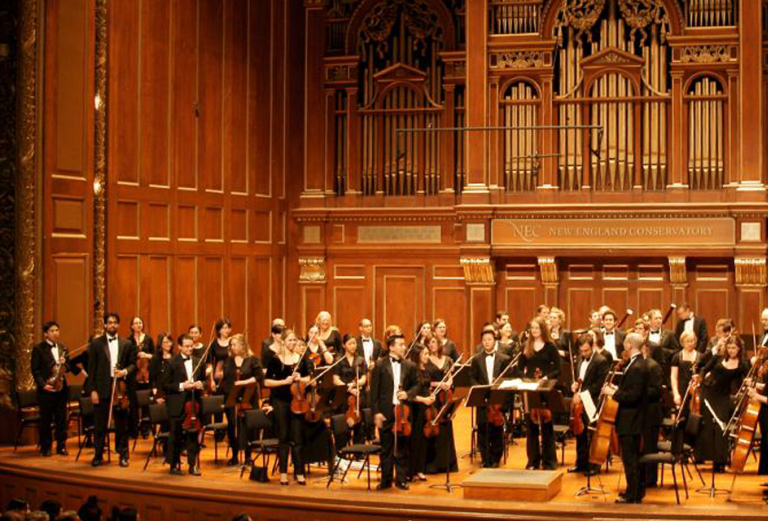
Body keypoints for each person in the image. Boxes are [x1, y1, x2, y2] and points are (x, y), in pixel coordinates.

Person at [602, 333, 648, 504]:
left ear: (629, 345)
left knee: (630, 459)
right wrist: (617, 387)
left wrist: (613, 392)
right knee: (631, 458)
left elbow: (633, 396)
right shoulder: (636, 363)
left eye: (625, 344)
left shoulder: (637, 366)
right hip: (631, 419)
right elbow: (631, 389)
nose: (623, 346)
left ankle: (632, 495)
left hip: (631, 420)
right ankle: (634, 491)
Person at [85, 312, 136, 467]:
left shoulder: (126, 343)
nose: (113, 325)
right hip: (102, 389)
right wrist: (92, 390)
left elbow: (133, 364)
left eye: (115, 322)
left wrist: (124, 372)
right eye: (110, 322)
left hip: (119, 389)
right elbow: (91, 369)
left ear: (118, 325)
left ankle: (123, 456)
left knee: (122, 425)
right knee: (100, 424)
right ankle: (98, 455)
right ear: (105, 325)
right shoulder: (96, 344)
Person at [371, 332, 419, 490]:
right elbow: (374, 392)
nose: (403, 347)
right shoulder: (379, 365)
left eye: (404, 344)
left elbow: (416, 385)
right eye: (400, 344)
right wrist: (376, 412)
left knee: (402, 447)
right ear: (391, 347)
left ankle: (401, 478)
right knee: (386, 448)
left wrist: (408, 394)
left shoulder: (410, 365)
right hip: (386, 411)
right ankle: (386, 479)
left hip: (402, 411)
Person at [696, 334, 749, 472]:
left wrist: (748, 383)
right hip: (708, 394)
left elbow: (748, 378)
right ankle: (709, 458)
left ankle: (720, 462)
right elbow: (704, 368)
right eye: (729, 347)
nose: (731, 350)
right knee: (708, 427)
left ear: (739, 349)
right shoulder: (719, 358)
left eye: (734, 348)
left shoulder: (743, 364)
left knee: (721, 429)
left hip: (723, 397)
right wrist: (702, 377)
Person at [264, 329, 310, 485]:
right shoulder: (275, 360)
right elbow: (267, 382)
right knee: (283, 437)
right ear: (283, 341)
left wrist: (300, 378)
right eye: (290, 340)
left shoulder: (300, 359)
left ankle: (299, 472)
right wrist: (284, 381)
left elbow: (308, 377)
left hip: (297, 401)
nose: (292, 343)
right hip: (281, 402)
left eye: (294, 341)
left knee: (297, 439)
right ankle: (283, 472)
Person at [518, 316, 560, 470]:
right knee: (531, 425)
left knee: (547, 425)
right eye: (532, 328)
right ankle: (532, 461)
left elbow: (558, 369)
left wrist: (546, 377)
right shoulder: (526, 346)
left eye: (537, 328)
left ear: (543, 329)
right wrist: (526, 379)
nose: (534, 331)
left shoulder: (550, 347)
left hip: (545, 388)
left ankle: (549, 462)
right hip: (530, 390)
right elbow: (518, 368)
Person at [31, 321, 75, 457]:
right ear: (46, 334)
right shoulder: (38, 349)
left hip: (61, 389)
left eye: (57, 330)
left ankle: (61, 446)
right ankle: (46, 447)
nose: (56, 333)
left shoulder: (63, 348)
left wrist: (64, 365)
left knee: (61, 419)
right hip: (46, 390)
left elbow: (69, 367)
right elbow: (35, 370)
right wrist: (43, 384)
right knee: (46, 419)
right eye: (52, 330)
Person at [568, 334, 609, 475]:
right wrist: (574, 386)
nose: (583, 353)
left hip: (593, 401)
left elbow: (599, 384)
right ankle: (581, 463)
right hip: (580, 401)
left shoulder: (601, 361)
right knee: (580, 433)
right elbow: (580, 380)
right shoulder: (580, 360)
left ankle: (594, 465)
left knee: (592, 434)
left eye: (586, 350)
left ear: (592, 346)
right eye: (581, 351)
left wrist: (583, 393)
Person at [165, 334, 205, 476]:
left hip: (194, 404)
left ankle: (192, 465)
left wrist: (201, 384)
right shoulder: (171, 363)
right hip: (177, 404)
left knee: (193, 436)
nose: (190, 349)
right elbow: (166, 385)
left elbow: (204, 380)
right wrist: (183, 385)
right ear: (179, 347)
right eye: (187, 346)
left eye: (191, 346)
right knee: (175, 436)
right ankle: (174, 466)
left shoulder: (198, 361)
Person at [470, 329, 510, 468]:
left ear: (495, 341)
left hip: (497, 399)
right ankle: (486, 459)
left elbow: (506, 379)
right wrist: (482, 388)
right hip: (482, 399)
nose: (487, 342)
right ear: (482, 342)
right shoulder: (476, 359)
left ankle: (495, 458)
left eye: (490, 339)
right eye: (484, 340)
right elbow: (472, 378)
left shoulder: (504, 359)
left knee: (497, 430)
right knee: (482, 429)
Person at [221, 334, 262, 466]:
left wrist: (244, 382)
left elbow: (259, 377)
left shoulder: (252, 359)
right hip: (232, 397)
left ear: (242, 345)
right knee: (233, 426)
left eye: (234, 344)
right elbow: (226, 378)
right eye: (231, 345)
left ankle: (248, 456)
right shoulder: (229, 360)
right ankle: (234, 455)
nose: (231, 347)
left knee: (247, 426)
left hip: (248, 397)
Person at [425, 334, 458, 474]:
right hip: (433, 397)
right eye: (429, 343)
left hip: (445, 397)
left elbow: (451, 379)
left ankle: (447, 463)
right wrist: (439, 384)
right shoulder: (426, 360)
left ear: (439, 344)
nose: (432, 345)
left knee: (446, 428)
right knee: (434, 428)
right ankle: (434, 464)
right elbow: (425, 381)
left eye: (434, 342)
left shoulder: (448, 360)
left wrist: (448, 384)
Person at [408, 343, 437, 482]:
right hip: (415, 408)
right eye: (425, 354)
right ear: (418, 356)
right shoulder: (412, 371)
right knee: (415, 440)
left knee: (424, 439)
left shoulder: (426, 370)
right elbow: (410, 395)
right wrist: (424, 400)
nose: (427, 356)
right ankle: (411, 470)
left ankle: (420, 469)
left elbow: (427, 388)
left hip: (425, 408)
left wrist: (431, 397)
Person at [333, 334, 368, 449]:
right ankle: (342, 449)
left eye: (354, 343)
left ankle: (358, 450)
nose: (353, 346)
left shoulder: (360, 360)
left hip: (358, 393)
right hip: (343, 395)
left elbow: (364, 377)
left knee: (359, 422)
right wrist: (347, 387)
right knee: (343, 422)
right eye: (350, 344)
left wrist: (356, 384)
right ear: (344, 345)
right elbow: (335, 379)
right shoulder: (339, 360)